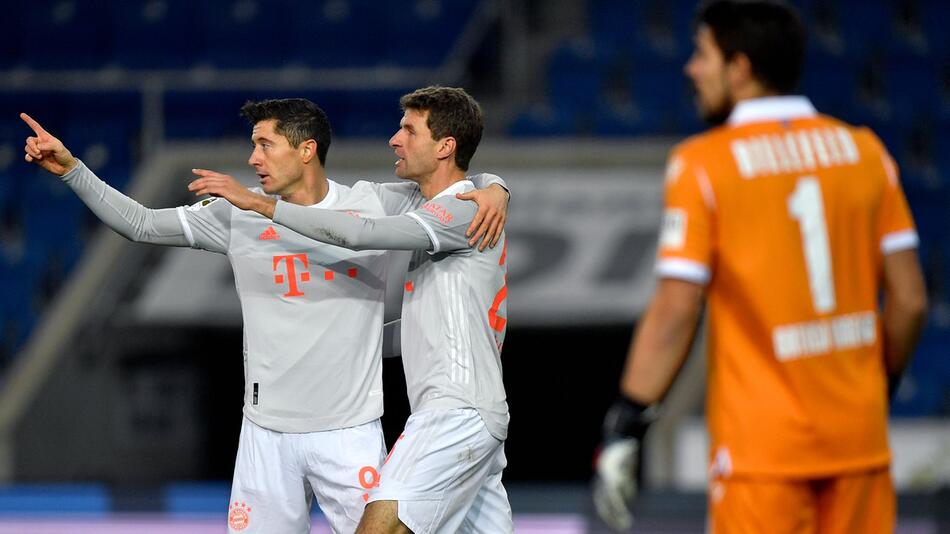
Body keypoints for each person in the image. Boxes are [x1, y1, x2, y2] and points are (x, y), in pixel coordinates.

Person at [20, 98, 510, 534]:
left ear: (306, 150)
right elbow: (142, 224)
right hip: (265, 434)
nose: (253, 158)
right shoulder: (235, 216)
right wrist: (73, 171)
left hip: (350, 432)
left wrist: (494, 187)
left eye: (264, 144)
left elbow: (452, 185)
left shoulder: (375, 202)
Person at [593, 1, 928, 533]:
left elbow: (676, 310)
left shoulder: (703, 165)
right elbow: (910, 300)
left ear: (740, 67)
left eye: (703, 54)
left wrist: (626, 424)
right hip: (859, 444)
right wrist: (877, 386)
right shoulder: (867, 152)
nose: (691, 69)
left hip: (761, 459)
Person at [189, 86, 512, 534]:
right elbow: (415, 332)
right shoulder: (468, 202)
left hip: (455, 412)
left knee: (378, 527)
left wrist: (262, 206)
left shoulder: (460, 212)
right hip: (471, 413)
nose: (394, 140)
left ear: (445, 146)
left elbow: (358, 234)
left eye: (408, 130)